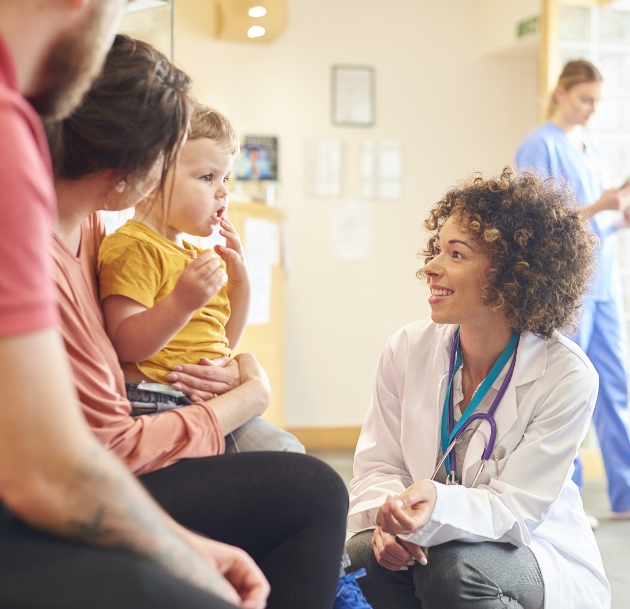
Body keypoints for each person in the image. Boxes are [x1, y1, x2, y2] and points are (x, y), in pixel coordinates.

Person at [0, 4, 346, 608]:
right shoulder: (92, 240)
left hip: (130, 440)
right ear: (130, 172)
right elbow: (86, 454)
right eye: (179, 165)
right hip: (110, 459)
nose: (209, 191)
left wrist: (234, 346)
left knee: (299, 477)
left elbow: (211, 336)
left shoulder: (92, 230)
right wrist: (246, 397)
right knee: (312, 486)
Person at [345, 168, 610, 609]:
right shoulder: (407, 349)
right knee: (364, 557)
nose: (429, 268)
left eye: (456, 254)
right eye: (435, 249)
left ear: (511, 274)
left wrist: (435, 507)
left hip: (533, 552)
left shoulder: (567, 375)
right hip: (432, 536)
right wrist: (389, 517)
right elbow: (376, 468)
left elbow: (517, 511)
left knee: (453, 569)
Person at [516, 60, 630, 521]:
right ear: (561, 93)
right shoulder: (539, 145)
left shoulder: (591, 147)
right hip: (569, 290)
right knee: (568, 387)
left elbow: (593, 221)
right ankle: (568, 501)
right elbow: (535, 221)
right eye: (585, 99)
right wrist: (599, 204)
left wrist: (615, 215)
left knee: (615, 385)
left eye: (596, 101)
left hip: (602, 285)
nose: (590, 109)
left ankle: (626, 494)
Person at [98, 104, 248, 390]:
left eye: (225, 178)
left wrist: (240, 282)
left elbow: (223, 340)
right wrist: (181, 303)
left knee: (279, 438)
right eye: (207, 177)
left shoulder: (198, 257)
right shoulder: (132, 247)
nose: (223, 191)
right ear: (154, 180)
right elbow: (125, 345)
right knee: (278, 439)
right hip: (156, 400)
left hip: (203, 399)